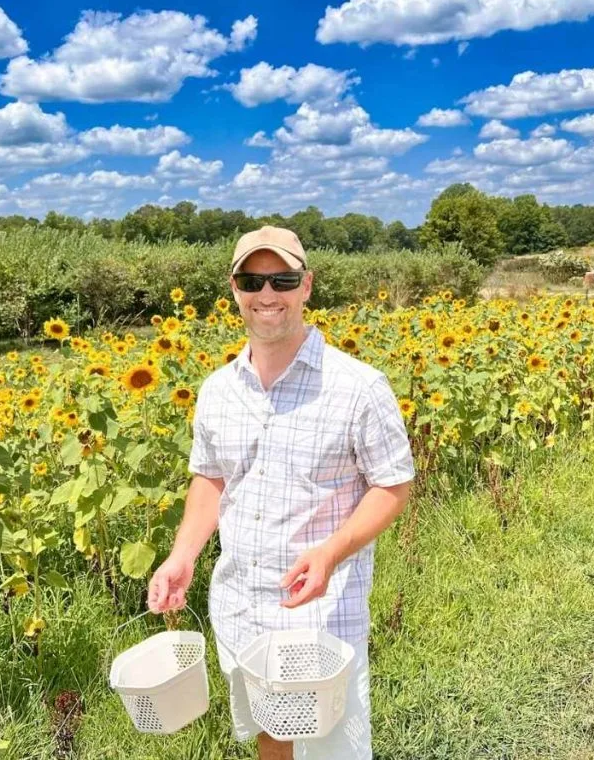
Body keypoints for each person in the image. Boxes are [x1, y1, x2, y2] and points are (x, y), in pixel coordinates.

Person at [148, 225, 415, 759]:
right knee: (271, 733)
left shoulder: (358, 387)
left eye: (283, 280)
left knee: (327, 746)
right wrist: (183, 556)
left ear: (307, 286)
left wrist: (330, 552)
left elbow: (394, 483)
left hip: (319, 611)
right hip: (241, 603)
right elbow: (212, 477)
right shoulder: (218, 390)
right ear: (234, 289)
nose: (267, 295)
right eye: (253, 281)